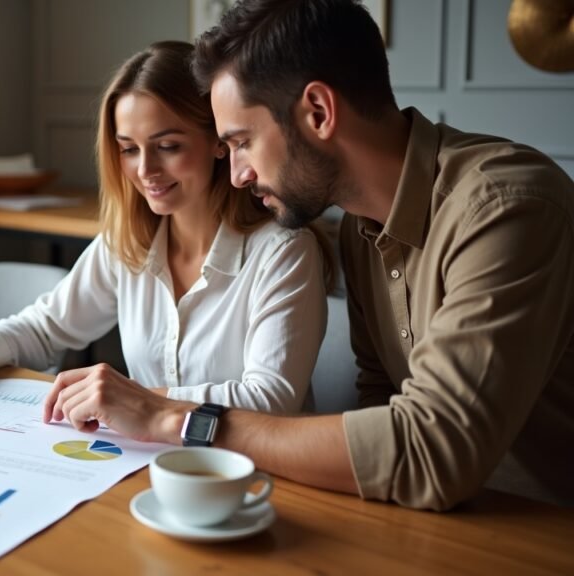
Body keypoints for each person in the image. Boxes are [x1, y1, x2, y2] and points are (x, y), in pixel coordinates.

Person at [45, 0, 574, 510]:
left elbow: (429, 450)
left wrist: (173, 416)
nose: (236, 174)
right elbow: (382, 399)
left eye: (243, 141)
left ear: (318, 111)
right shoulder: (359, 226)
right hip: (431, 520)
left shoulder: (505, 209)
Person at [0, 41, 331, 415]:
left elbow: (272, 399)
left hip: (253, 476)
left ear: (219, 141)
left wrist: (137, 400)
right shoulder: (129, 243)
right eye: (128, 149)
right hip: (149, 462)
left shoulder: (284, 251)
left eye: (168, 146)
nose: (146, 170)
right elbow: (48, 326)